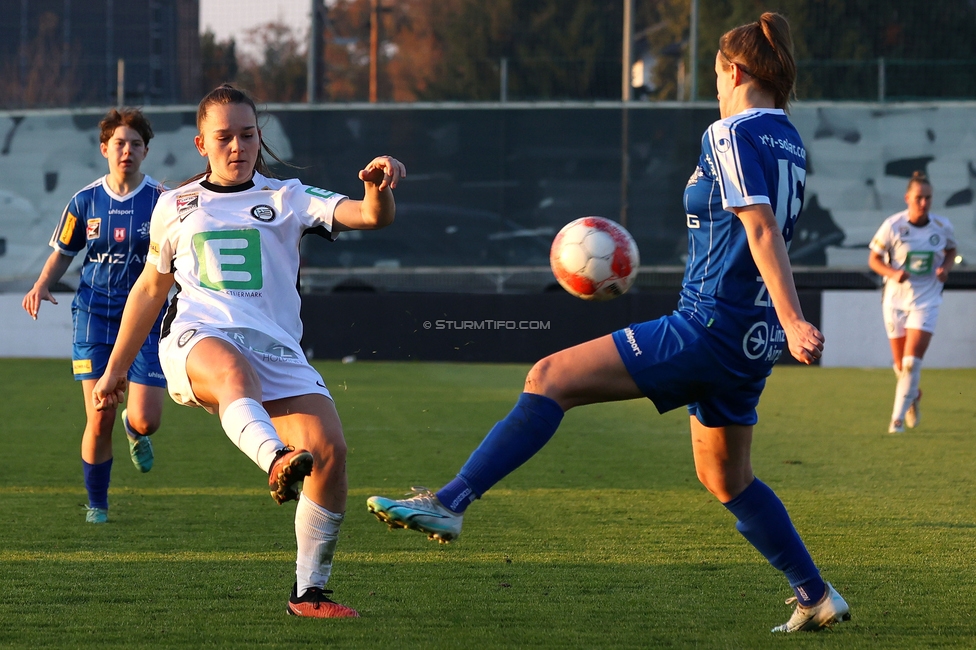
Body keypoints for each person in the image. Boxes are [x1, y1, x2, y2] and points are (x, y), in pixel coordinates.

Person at [367, 13, 850, 634]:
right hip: (747, 339)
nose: (716, 88)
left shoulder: (730, 132)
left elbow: (758, 228)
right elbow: (754, 231)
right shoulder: (790, 140)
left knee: (550, 376)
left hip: (710, 325)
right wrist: (779, 324)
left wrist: (794, 319)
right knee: (724, 475)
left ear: (734, 71)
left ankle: (450, 502)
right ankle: (813, 593)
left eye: (715, 76)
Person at [92, 84, 405, 618]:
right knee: (233, 370)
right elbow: (150, 289)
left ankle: (309, 594)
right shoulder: (175, 206)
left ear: (260, 138)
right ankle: (275, 458)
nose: (237, 146)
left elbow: (371, 216)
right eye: (224, 137)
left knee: (331, 452)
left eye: (247, 134)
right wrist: (115, 370)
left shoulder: (289, 197)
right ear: (200, 144)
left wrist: (379, 185)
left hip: (278, 349)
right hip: (199, 338)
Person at [22, 108, 167, 525]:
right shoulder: (85, 200)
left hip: (145, 319)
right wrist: (41, 284)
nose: (127, 151)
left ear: (145, 151)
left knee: (147, 418)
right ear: (104, 149)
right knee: (99, 416)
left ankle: (136, 430)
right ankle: (97, 505)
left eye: (135, 144)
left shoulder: (160, 200)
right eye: (119, 144)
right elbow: (64, 252)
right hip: (94, 316)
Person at [868, 171, 955, 434]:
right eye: (919, 198)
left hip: (926, 300)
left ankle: (896, 421)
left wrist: (946, 268)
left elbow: (951, 250)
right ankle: (913, 395)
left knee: (910, 363)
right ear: (908, 198)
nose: (924, 203)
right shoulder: (893, 225)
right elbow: (874, 259)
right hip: (895, 301)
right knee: (899, 366)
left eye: (928, 198)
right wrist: (893, 273)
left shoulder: (941, 226)